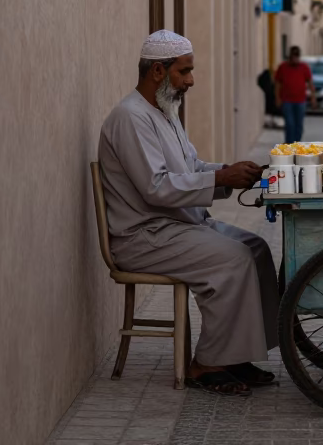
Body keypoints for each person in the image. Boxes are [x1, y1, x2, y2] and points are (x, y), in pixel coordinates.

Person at [98, 30, 277, 397]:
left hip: (175, 227)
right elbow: (157, 187)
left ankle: (236, 353)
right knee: (234, 258)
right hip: (143, 236)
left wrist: (230, 171)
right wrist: (221, 178)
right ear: (158, 72)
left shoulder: (164, 112)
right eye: (185, 72)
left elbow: (191, 165)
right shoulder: (131, 117)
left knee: (256, 248)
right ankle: (206, 364)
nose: (190, 81)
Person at [274, 46, 316, 143]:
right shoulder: (283, 67)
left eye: (297, 57)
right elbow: (277, 84)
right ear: (290, 56)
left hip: (300, 101)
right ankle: (289, 145)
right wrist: (277, 98)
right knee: (289, 124)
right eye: (294, 57)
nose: (295, 59)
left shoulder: (304, 67)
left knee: (299, 125)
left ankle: (297, 143)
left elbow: (310, 83)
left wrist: (313, 98)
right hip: (287, 101)